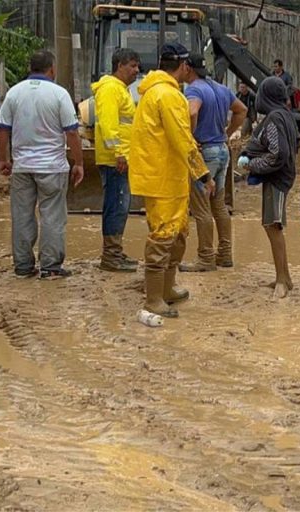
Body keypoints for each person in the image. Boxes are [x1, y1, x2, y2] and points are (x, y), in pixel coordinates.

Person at [128, 43, 209, 317]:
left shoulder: (154, 93)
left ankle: (167, 287)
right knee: (163, 237)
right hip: (163, 179)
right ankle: (153, 299)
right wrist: (203, 172)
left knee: (177, 234)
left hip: (165, 177)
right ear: (184, 66)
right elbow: (183, 139)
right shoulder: (168, 96)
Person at [0, 50, 83, 279]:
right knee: (52, 216)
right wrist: (79, 163)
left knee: (22, 216)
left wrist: (3, 160)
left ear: (30, 67)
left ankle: (23, 267)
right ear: (51, 69)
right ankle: (50, 267)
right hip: (52, 167)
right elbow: (72, 133)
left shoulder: (13, 94)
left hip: (22, 167)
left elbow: (2, 130)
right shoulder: (59, 94)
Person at [178, 54, 247, 272]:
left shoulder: (194, 90)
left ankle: (206, 257)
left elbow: (192, 111)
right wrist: (227, 133)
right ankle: (225, 254)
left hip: (205, 152)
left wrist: (191, 137)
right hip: (222, 151)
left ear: (188, 68)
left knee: (201, 207)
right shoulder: (221, 88)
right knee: (219, 205)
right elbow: (242, 110)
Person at [238, 77, 299, 299]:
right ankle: (284, 276)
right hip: (283, 176)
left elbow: (278, 153)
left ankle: (282, 280)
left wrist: (252, 165)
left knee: (273, 226)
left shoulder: (274, 118)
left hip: (277, 178)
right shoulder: (286, 115)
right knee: (272, 225)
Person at [91, 48, 140, 272]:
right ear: (119, 65)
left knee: (121, 206)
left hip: (121, 157)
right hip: (115, 160)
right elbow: (109, 125)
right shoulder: (111, 89)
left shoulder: (120, 90)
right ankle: (110, 256)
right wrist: (119, 152)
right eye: (132, 65)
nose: (136, 71)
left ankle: (115, 252)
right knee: (116, 205)